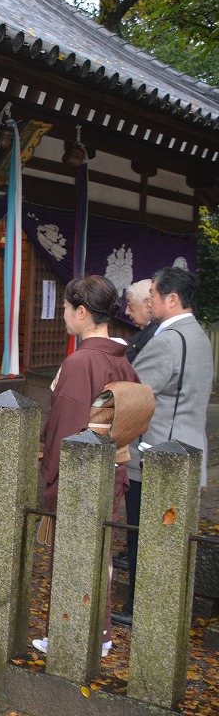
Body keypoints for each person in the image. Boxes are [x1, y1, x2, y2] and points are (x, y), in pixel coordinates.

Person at [32, 275, 138, 657]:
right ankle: (101, 633)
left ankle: (73, 634)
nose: (62, 314)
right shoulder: (120, 358)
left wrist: (47, 477)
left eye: (65, 308)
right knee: (99, 555)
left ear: (81, 312)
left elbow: (65, 427)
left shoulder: (82, 361)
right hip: (113, 468)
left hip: (81, 475)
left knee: (76, 554)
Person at [115, 266, 214, 628]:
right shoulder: (198, 335)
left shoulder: (169, 340)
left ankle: (138, 607)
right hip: (186, 450)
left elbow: (134, 391)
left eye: (154, 294)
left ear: (171, 299)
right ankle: (161, 607)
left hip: (157, 453)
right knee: (168, 538)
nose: (150, 300)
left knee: (146, 537)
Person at [123, 279, 158, 364]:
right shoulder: (149, 332)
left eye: (130, 304)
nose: (126, 312)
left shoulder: (156, 334)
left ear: (148, 303)